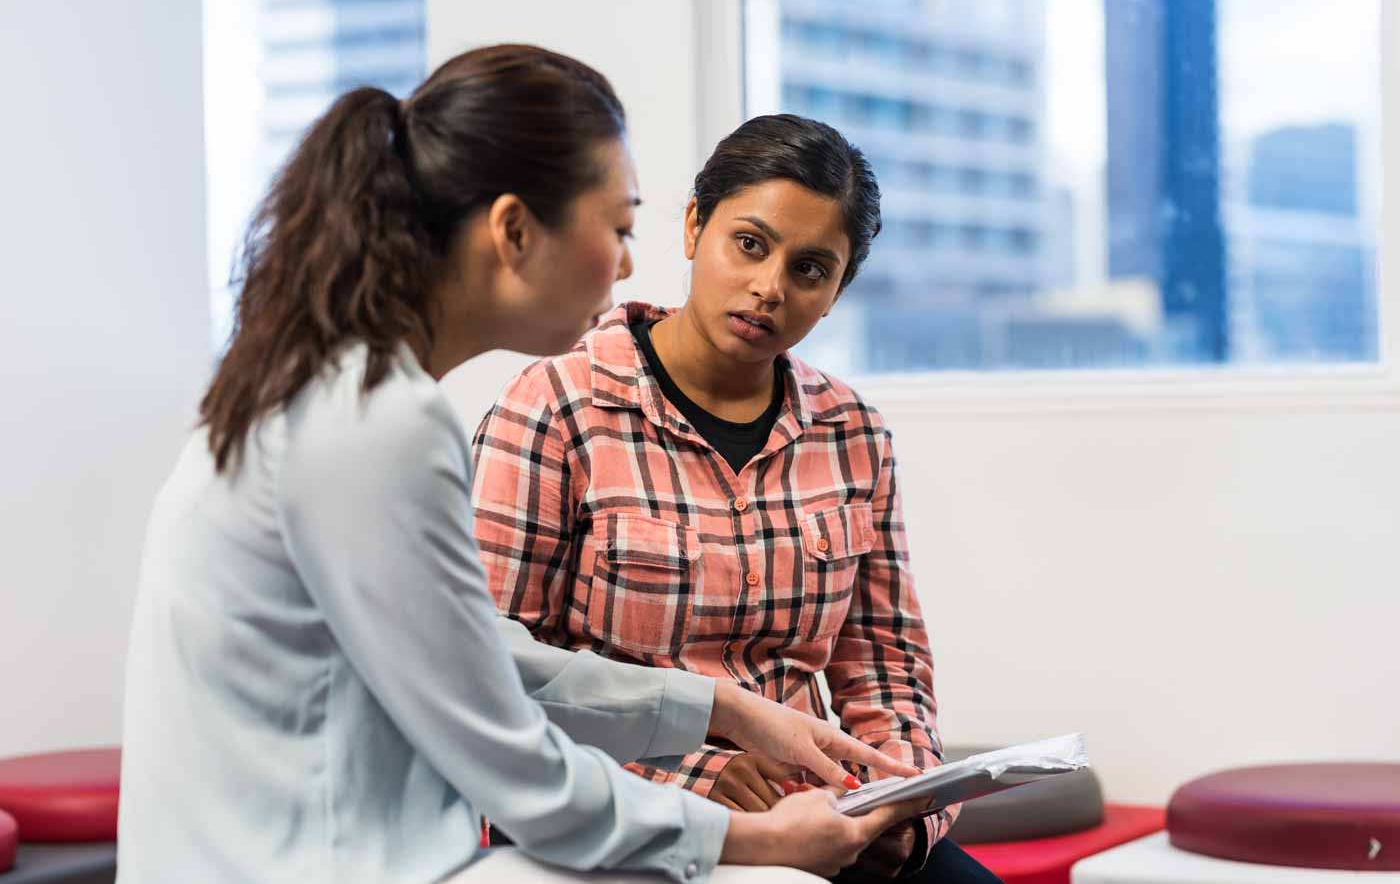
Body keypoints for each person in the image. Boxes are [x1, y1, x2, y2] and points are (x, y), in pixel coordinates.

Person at [116, 47, 925, 883]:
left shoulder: (335, 388)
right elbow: (511, 759)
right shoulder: (379, 424)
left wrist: (723, 708)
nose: (624, 266)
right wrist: (754, 839)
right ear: (513, 230)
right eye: (617, 228)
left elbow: (476, 654)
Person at [471, 114, 1003, 882]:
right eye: (749, 244)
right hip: (624, 819)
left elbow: (885, 663)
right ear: (694, 227)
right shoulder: (556, 404)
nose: (769, 288)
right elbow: (496, 677)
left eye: (811, 270)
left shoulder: (852, 432)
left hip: (815, 809)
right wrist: (689, 780)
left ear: (836, 292)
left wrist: (904, 806)